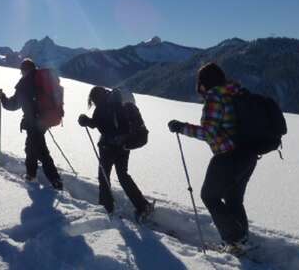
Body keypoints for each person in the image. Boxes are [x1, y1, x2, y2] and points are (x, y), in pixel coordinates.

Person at [167, 63, 257, 254]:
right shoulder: (234, 93)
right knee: (234, 199)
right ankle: (242, 240)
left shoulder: (215, 97)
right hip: (248, 155)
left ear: (203, 82)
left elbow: (209, 133)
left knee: (209, 196)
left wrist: (181, 127)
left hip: (227, 157)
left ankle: (234, 240)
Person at [78, 86, 153, 221]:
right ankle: (143, 205)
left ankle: (106, 208)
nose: (94, 103)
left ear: (96, 97)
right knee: (123, 176)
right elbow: (100, 123)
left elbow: (95, 123)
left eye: (93, 100)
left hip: (108, 147)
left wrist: (85, 120)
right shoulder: (118, 104)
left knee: (104, 177)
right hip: (124, 146)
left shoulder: (102, 106)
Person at [0, 58, 63, 190]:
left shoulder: (25, 83)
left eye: (21, 71)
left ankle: (55, 181)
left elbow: (13, 104)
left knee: (41, 151)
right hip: (44, 120)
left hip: (34, 122)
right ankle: (31, 174)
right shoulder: (43, 80)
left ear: (24, 70)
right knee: (31, 148)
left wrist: (3, 98)